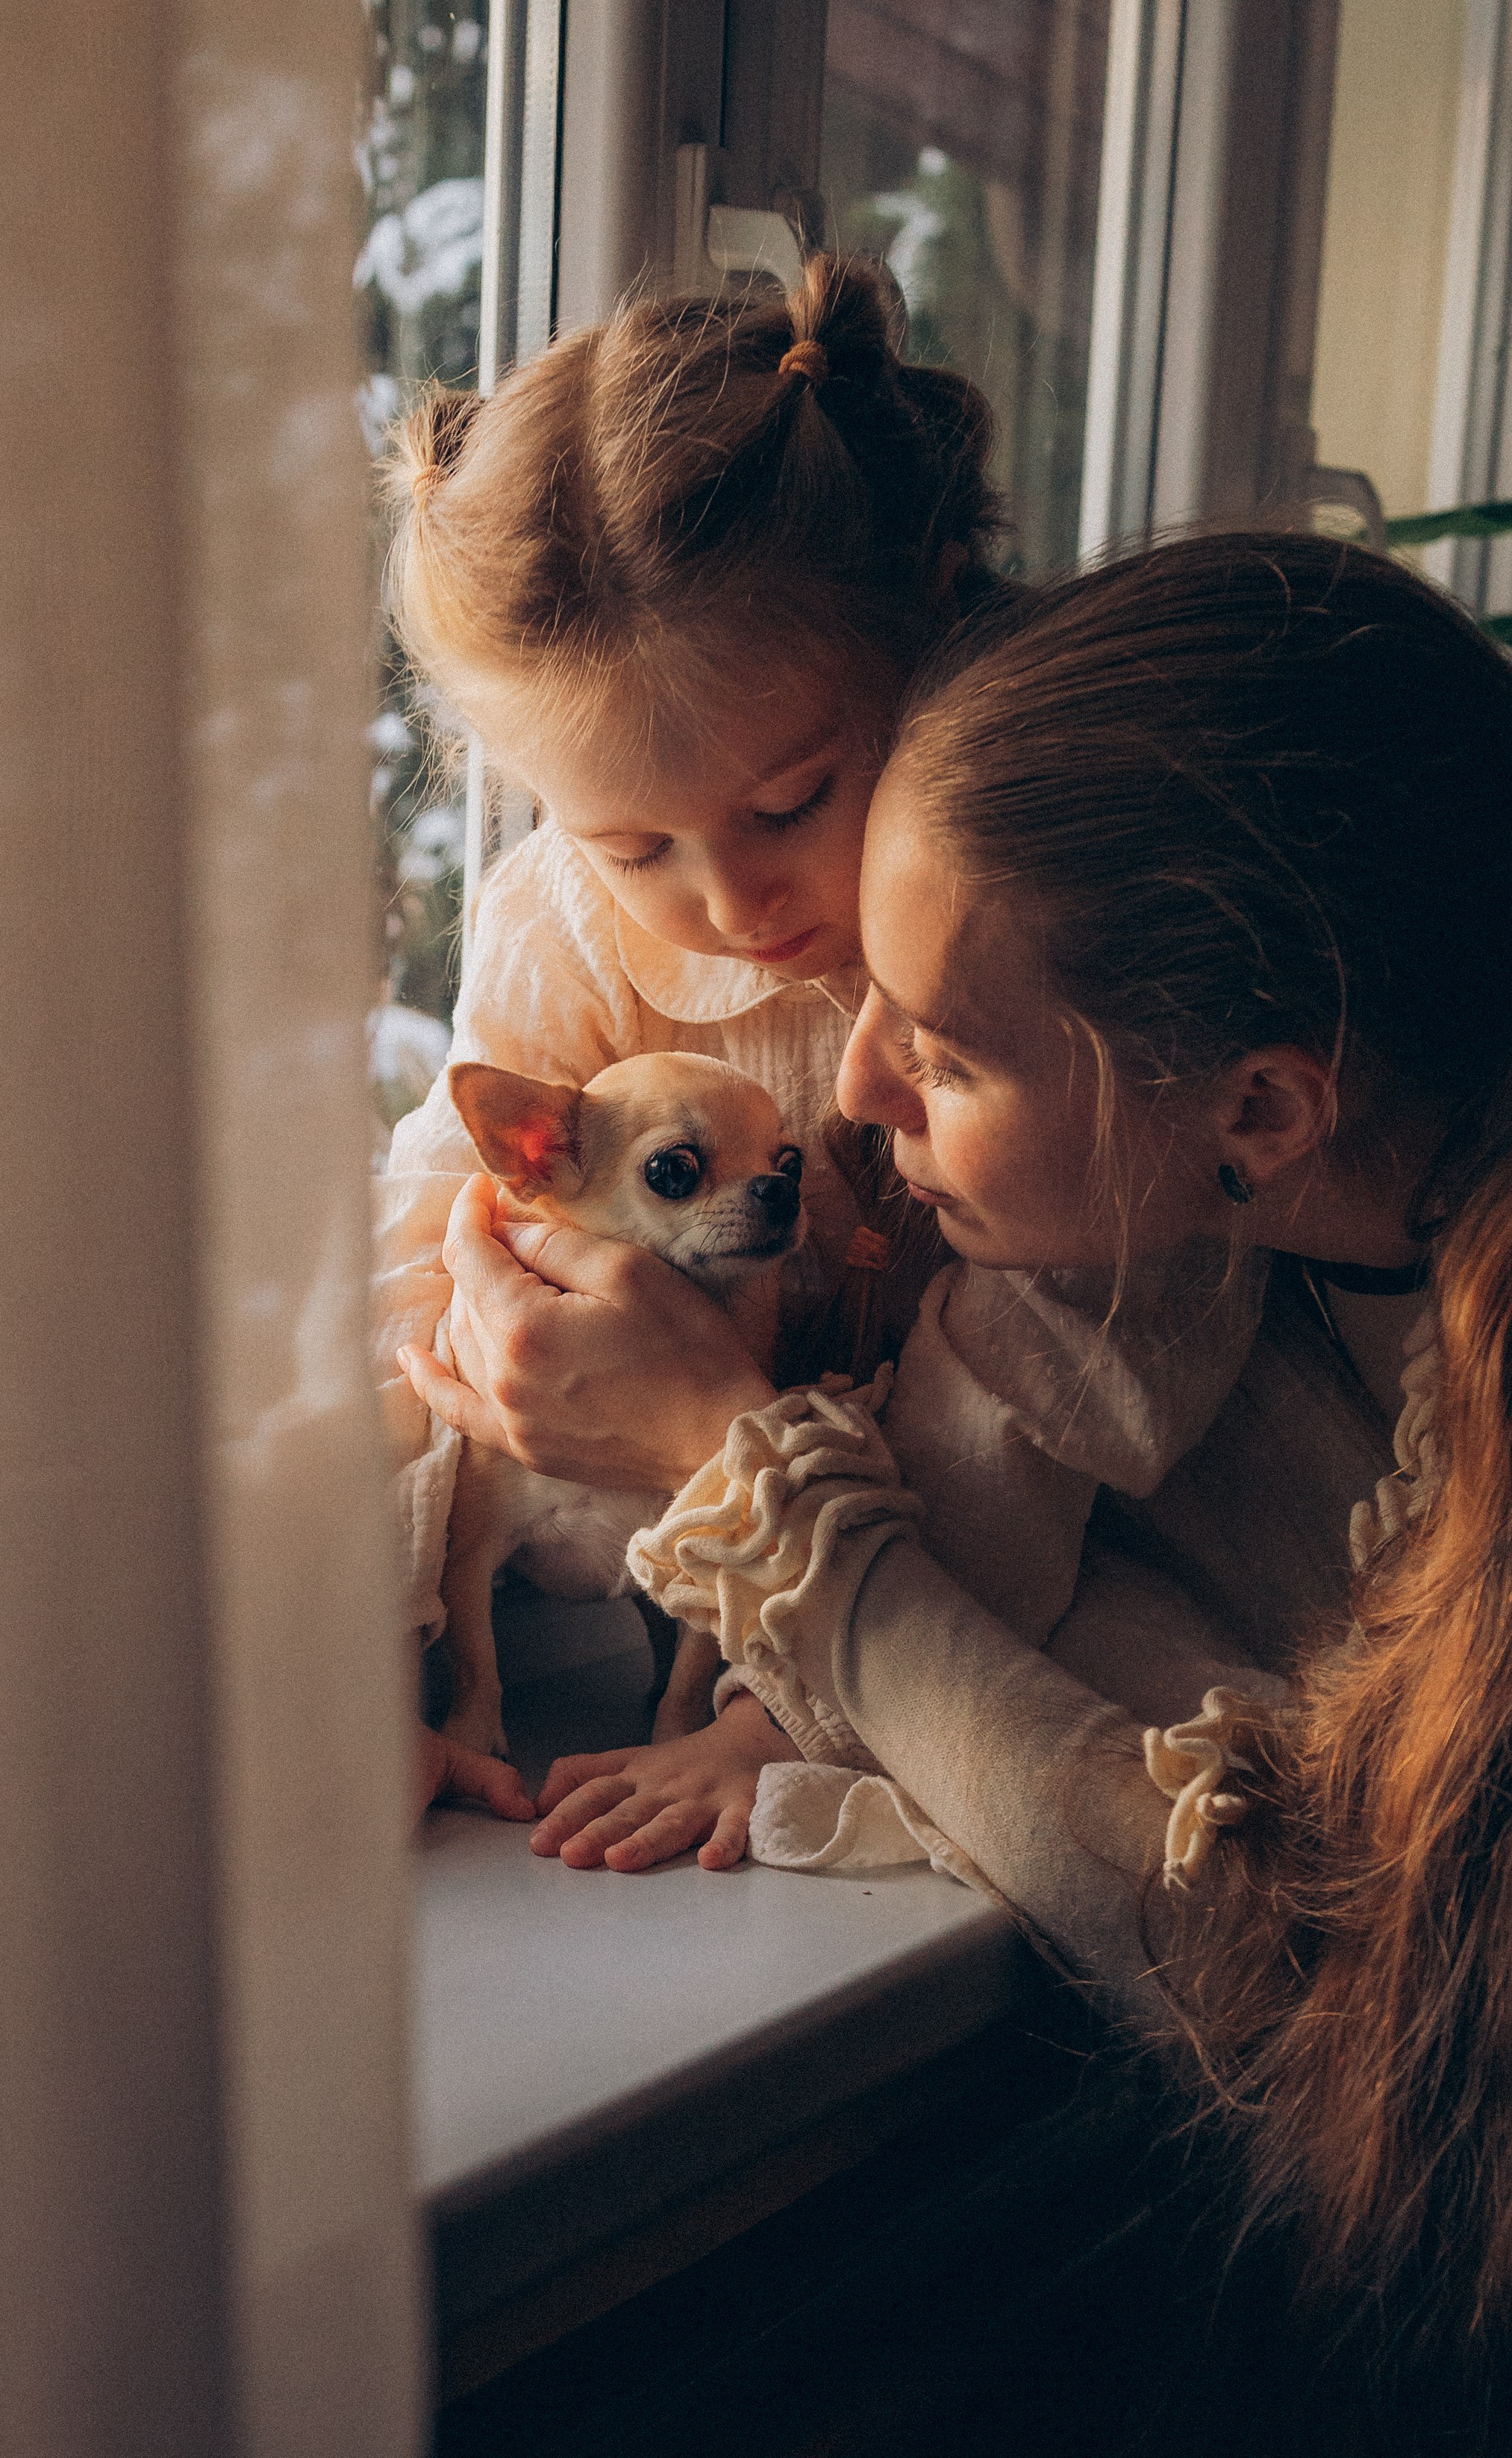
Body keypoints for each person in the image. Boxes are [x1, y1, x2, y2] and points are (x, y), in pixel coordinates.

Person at [404, 534, 1512, 2445]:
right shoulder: (1383, 1211)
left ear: (1258, 1112)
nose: (862, 1095)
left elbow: (1274, 1971)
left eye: (949, 1051)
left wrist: (737, 1472)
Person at [375, 255, 1002, 1816]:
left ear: (925, 629)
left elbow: (1033, 1429)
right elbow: (424, 1281)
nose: (727, 899)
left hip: (946, 1613)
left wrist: (786, 1721)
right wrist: (349, 1645)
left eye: (789, 803)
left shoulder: (1024, 920)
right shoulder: (558, 931)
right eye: (628, 843)